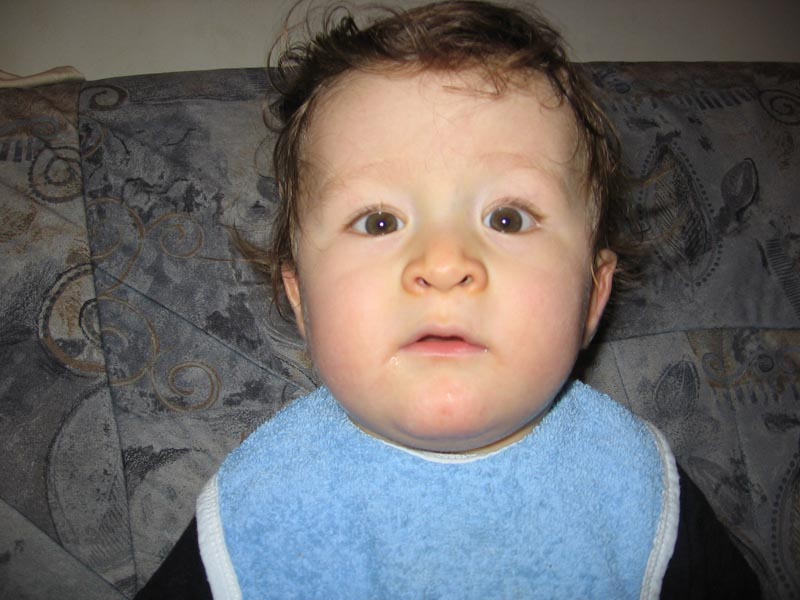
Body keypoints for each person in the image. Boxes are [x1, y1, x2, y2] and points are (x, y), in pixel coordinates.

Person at [136, 1, 761, 598]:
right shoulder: (257, 509)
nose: (442, 264)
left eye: (508, 218)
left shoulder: (639, 493)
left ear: (593, 299)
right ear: (301, 301)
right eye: (379, 222)